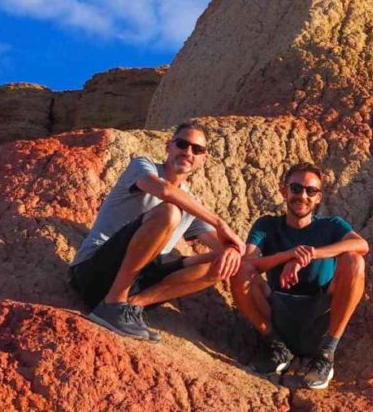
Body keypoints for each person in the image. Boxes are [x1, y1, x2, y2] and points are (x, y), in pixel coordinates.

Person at [69, 121, 246, 342]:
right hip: (94, 271)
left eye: (197, 149)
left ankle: (130, 307)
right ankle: (113, 303)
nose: (188, 152)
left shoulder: (192, 202)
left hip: (138, 283)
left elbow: (220, 245)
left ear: (203, 159)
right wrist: (220, 222)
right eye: (182, 144)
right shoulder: (143, 166)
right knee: (170, 212)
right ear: (168, 146)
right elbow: (164, 191)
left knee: (223, 264)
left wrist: (232, 251)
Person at [233, 161, 367, 391]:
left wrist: (310, 255)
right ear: (284, 190)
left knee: (354, 260)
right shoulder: (267, 225)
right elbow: (248, 263)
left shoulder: (331, 226)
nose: (302, 196)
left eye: (310, 191)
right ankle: (277, 347)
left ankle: (326, 354)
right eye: (296, 188)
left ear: (318, 198)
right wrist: (287, 255)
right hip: (278, 314)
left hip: (319, 320)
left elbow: (361, 244)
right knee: (239, 270)